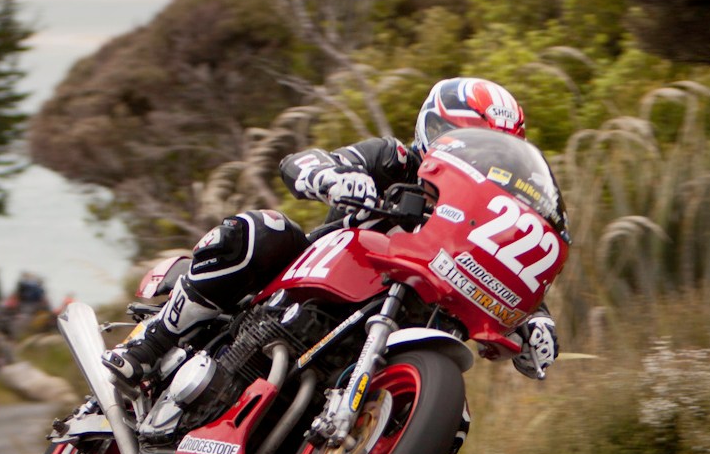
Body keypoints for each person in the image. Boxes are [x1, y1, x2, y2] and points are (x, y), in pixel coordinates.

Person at [102, 77, 559, 384]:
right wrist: (333, 177)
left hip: (404, 325)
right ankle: (153, 341)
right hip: (315, 280)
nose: (469, 154)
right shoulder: (394, 159)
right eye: (461, 136)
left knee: (452, 427)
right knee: (263, 230)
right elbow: (305, 161)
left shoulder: (489, 219)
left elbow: (512, 272)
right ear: (432, 127)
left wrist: (535, 320)